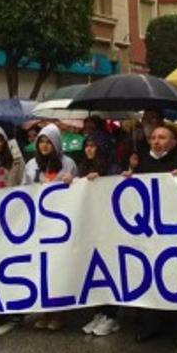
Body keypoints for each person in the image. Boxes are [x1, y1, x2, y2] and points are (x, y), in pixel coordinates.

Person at [129, 125, 177, 345]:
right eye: (154, 137)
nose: (156, 141)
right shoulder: (141, 165)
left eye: (162, 137)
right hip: (148, 233)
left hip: (175, 233)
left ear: (173, 142)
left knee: (176, 277)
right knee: (148, 277)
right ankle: (149, 324)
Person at [23, 124, 77, 330]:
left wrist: (72, 181)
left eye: (48, 142)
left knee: (58, 268)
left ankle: (59, 313)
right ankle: (46, 311)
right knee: (42, 269)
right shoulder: (31, 165)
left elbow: (78, 191)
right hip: (39, 224)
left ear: (56, 144)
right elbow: (23, 190)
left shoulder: (67, 163)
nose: (45, 146)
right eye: (41, 142)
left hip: (60, 225)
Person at [77, 134, 122, 337]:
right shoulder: (82, 167)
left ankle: (111, 316)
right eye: (86, 145)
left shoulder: (113, 167)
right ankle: (99, 312)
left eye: (93, 145)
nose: (89, 149)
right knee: (94, 270)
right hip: (91, 227)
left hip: (109, 228)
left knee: (109, 270)